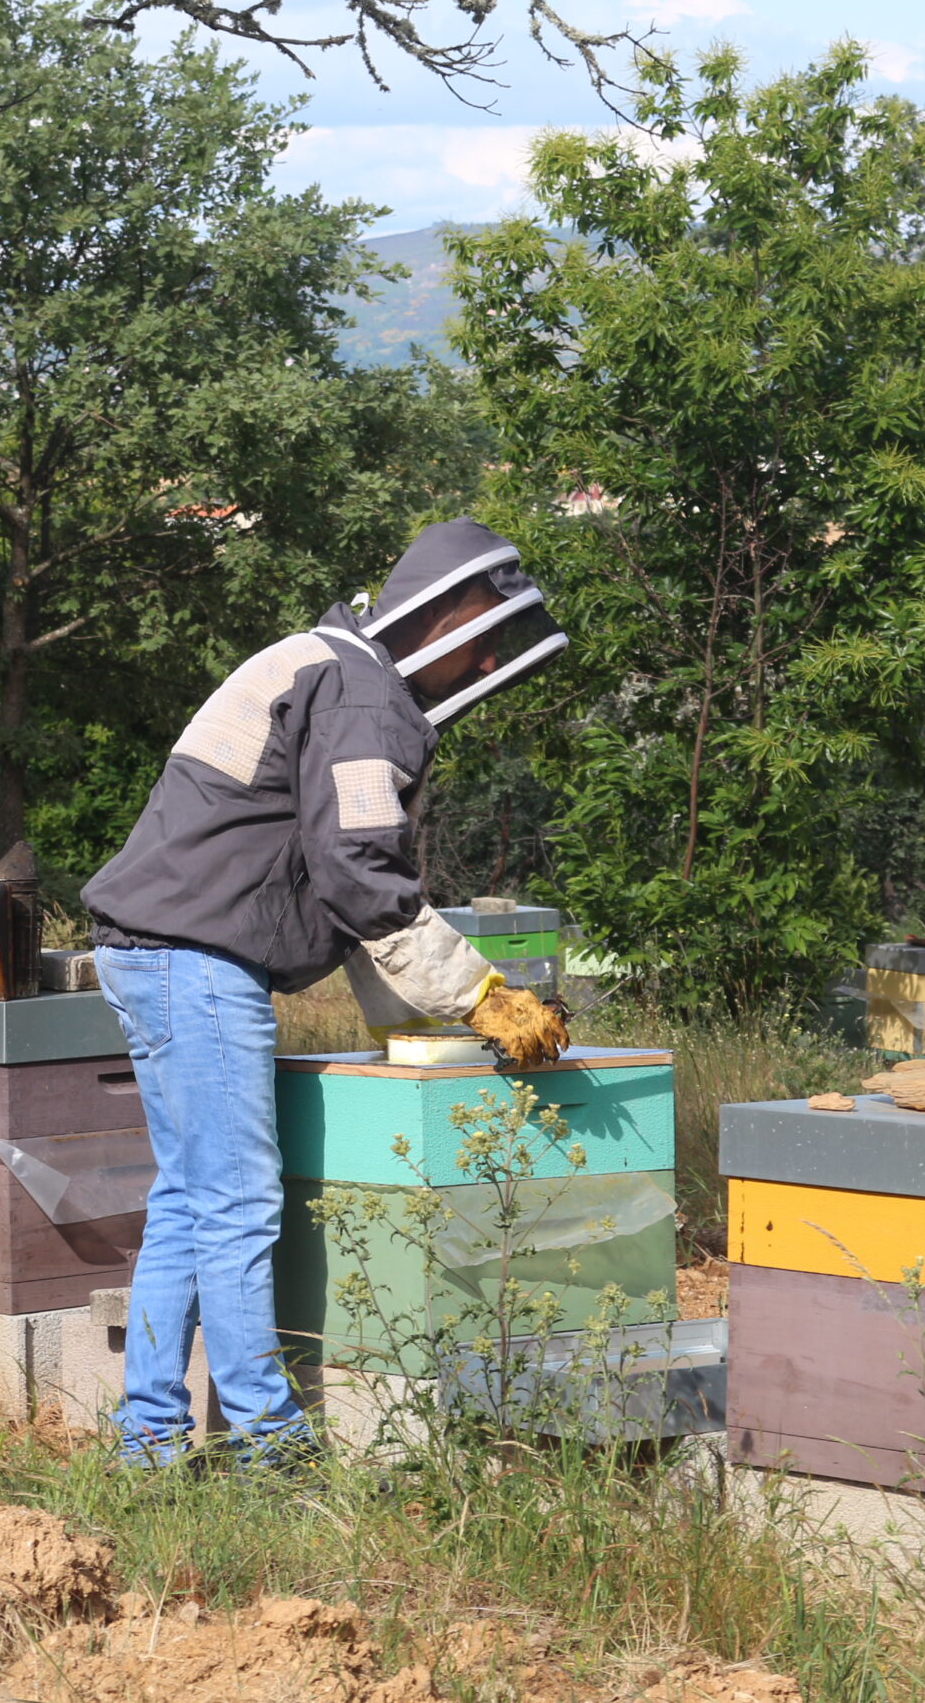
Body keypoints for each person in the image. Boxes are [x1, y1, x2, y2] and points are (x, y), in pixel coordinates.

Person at [84, 516, 572, 1461]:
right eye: (482, 638)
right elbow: (359, 872)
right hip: (196, 956)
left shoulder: (330, 666)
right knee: (237, 1203)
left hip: (153, 950)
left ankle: (148, 1436)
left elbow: (339, 891)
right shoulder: (358, 692)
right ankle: (270, 1441)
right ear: (443, 614)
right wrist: (478, 995)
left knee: (189, 1200)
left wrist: (428, 1024)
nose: (485, 665)